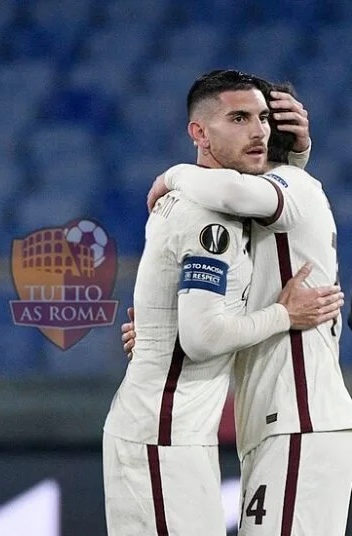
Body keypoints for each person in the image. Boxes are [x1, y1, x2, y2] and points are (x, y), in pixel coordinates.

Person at [102, 70, 343, 536]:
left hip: (295, 418)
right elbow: (201, 331)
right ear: (201, 131)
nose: (257, 130)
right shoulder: (214, 209)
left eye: (264, 120)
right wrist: (162, 329)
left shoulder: (276, 193)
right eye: (241, 118)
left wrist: (174, 174)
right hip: (181, 428)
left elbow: (203, 330)